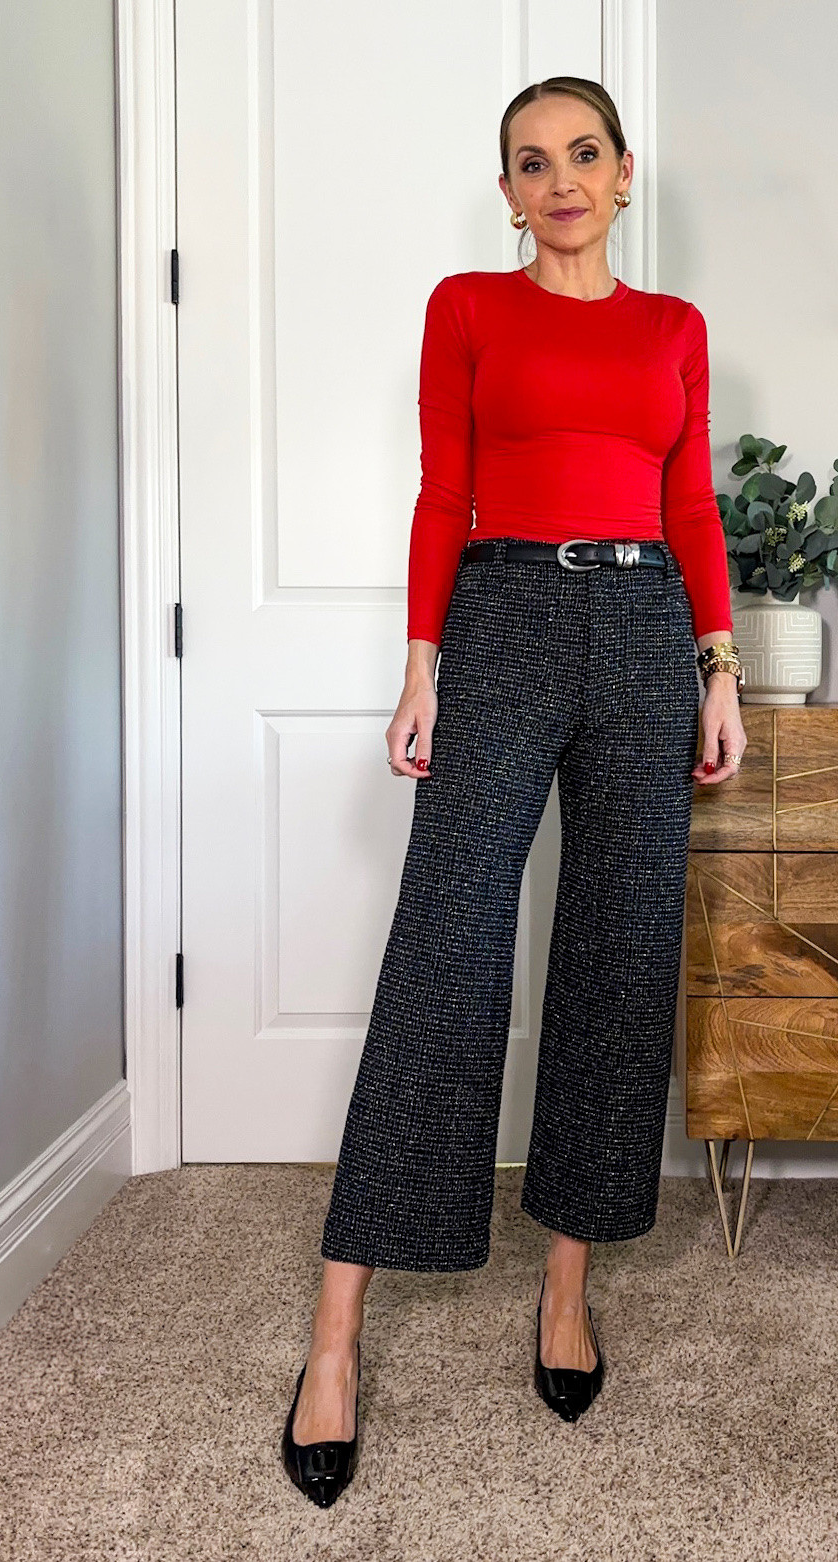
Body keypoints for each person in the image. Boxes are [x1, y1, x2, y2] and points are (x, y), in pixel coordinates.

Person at [280, 75, 747, 1508]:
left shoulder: (673, 330)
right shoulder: (467, 308)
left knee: (618, 952)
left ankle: (566, 1284)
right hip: (500, 621)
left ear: (621, 175)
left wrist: (718, 665)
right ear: (506, 191)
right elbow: (444, 486)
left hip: (647, 630)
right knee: (447, 947)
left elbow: (689, 503)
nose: (558, 181)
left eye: (582, 156)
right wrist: (420, 664)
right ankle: (336, 1332)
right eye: (530, 163)